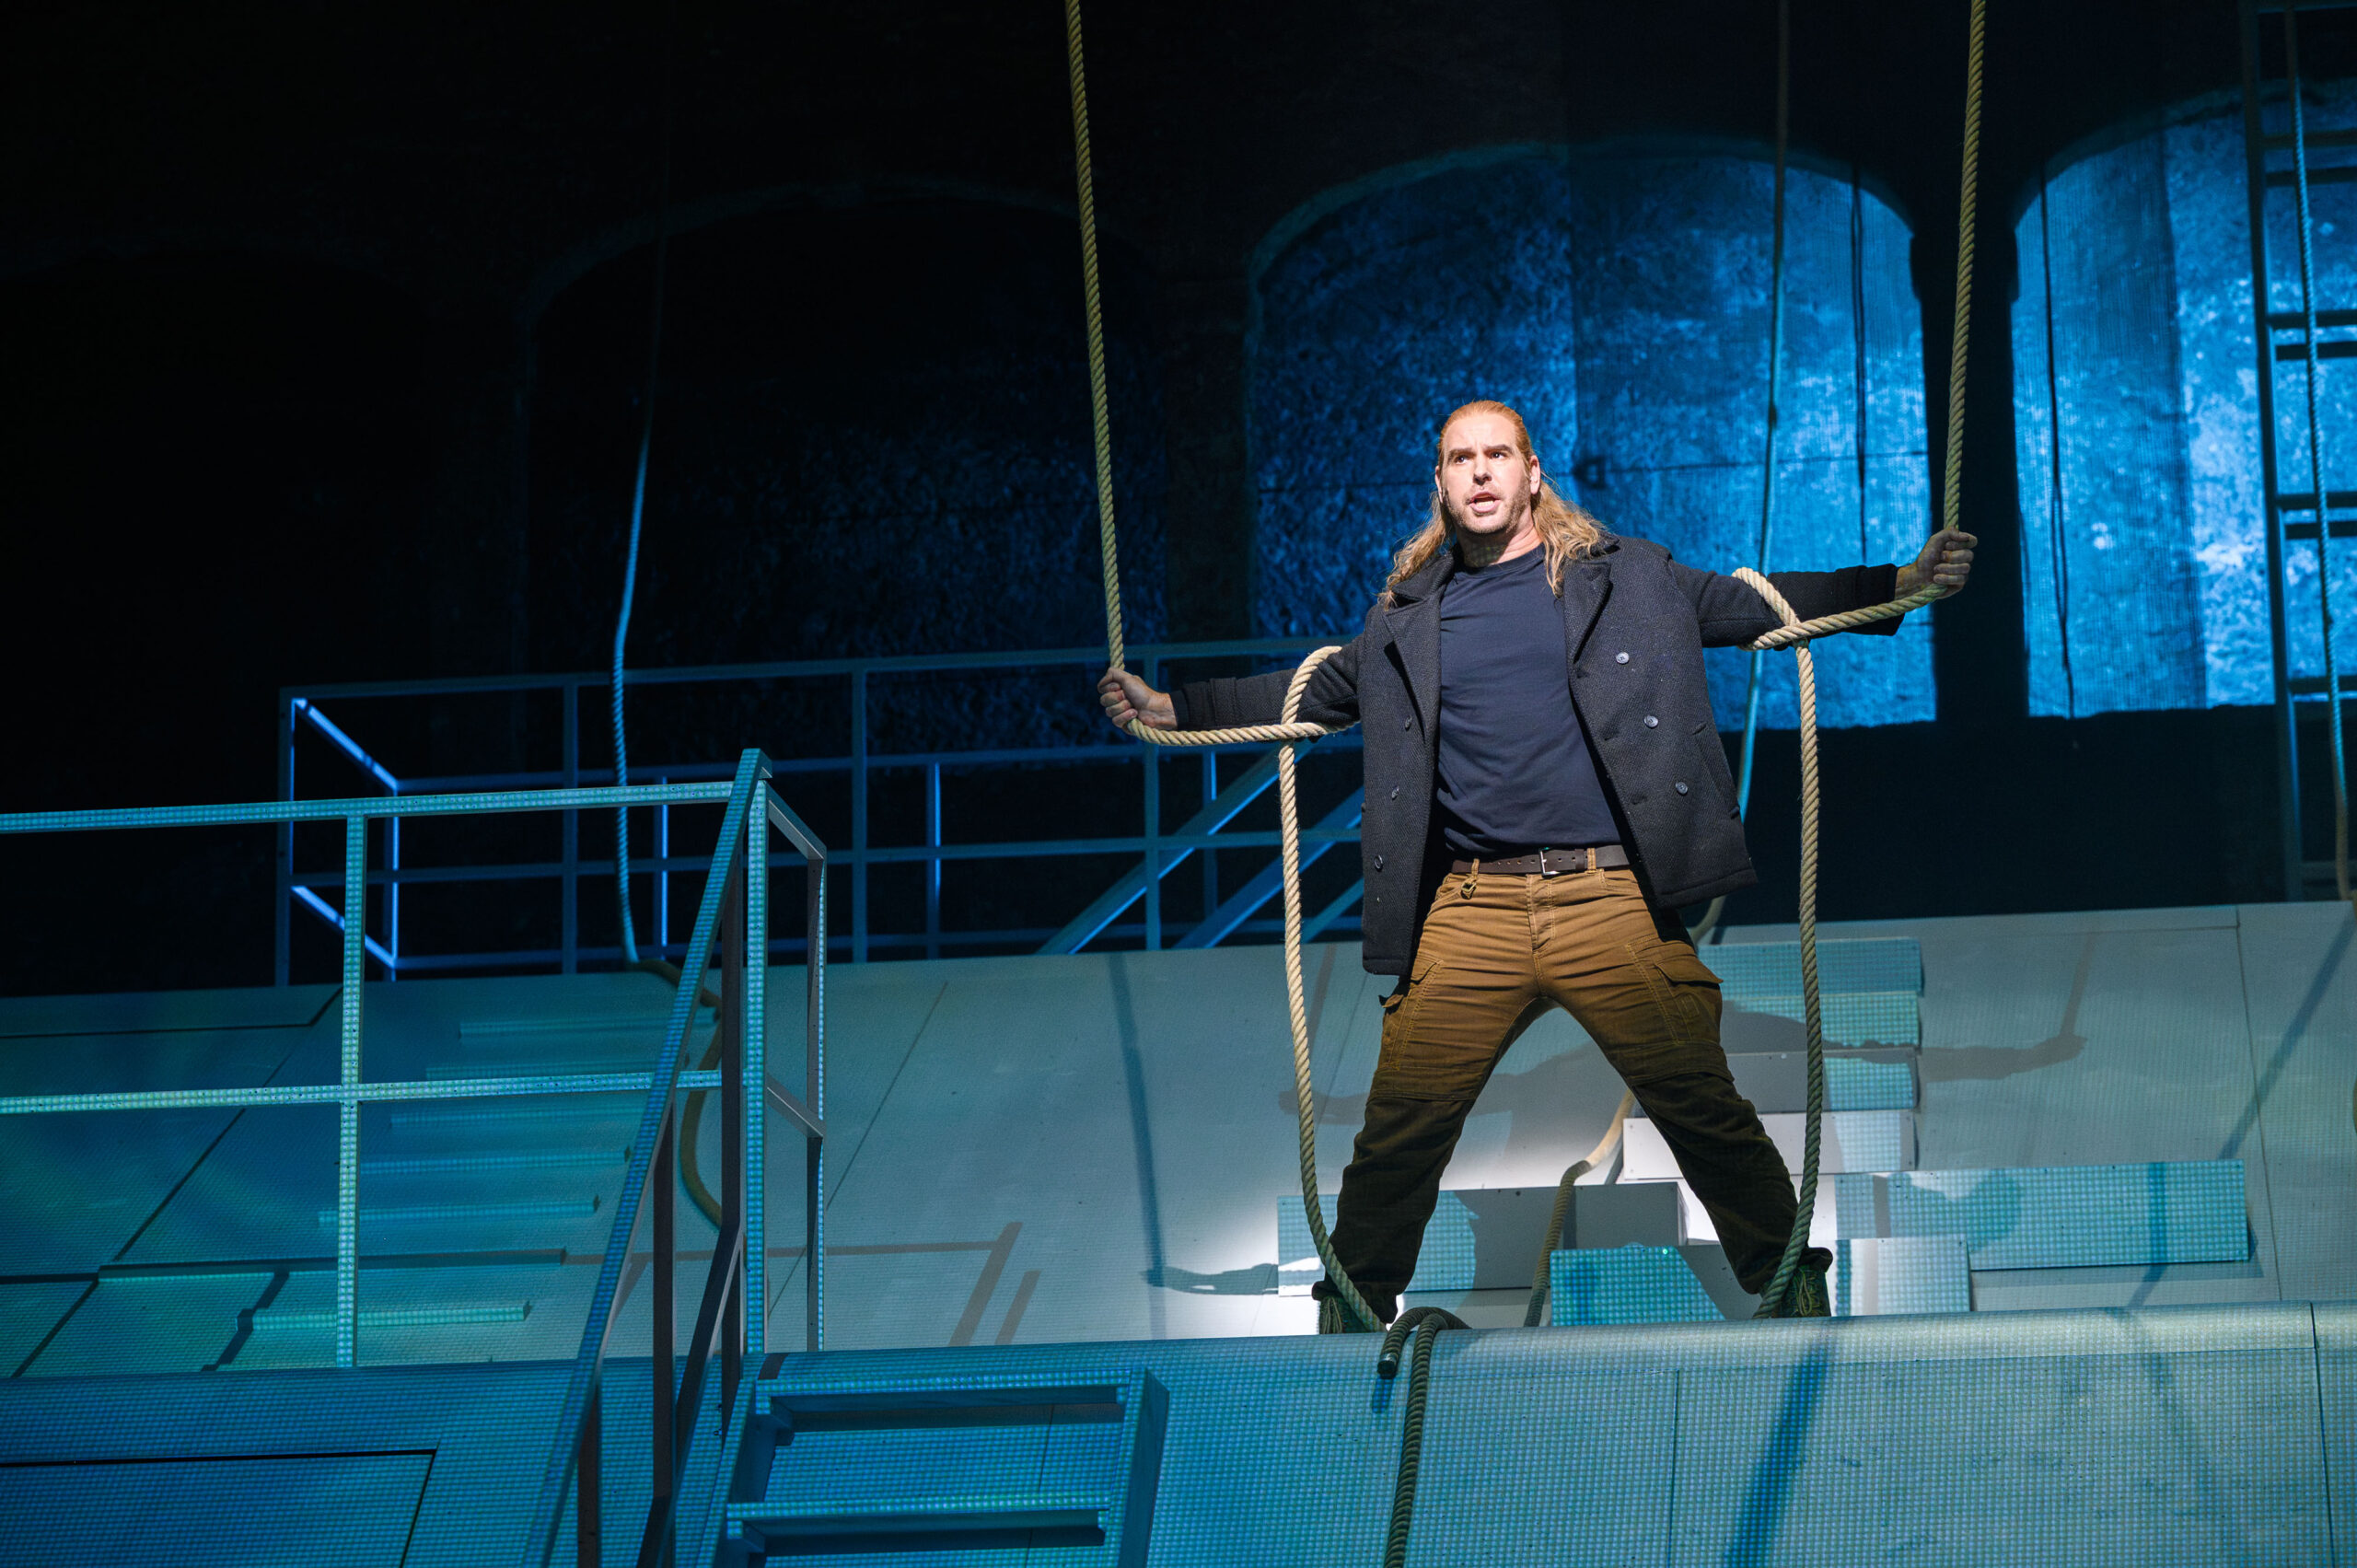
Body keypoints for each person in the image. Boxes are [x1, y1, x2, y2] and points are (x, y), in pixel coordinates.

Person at [1098, 399, 1974, 1327]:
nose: (1479, 472)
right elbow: (1313, 689)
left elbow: (1754, 606)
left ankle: (1791, 1287)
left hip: (1608, 894)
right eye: (1459, 458)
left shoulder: (1626, 577)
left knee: (1697, 1100)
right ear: (1439, 484)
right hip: (1471, 909)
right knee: (1400, 1127)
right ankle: (1350, 1318)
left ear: (1531, 473)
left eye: (1496, 455)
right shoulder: (1406, 619)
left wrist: (1897, 582)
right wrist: (1178, 708)